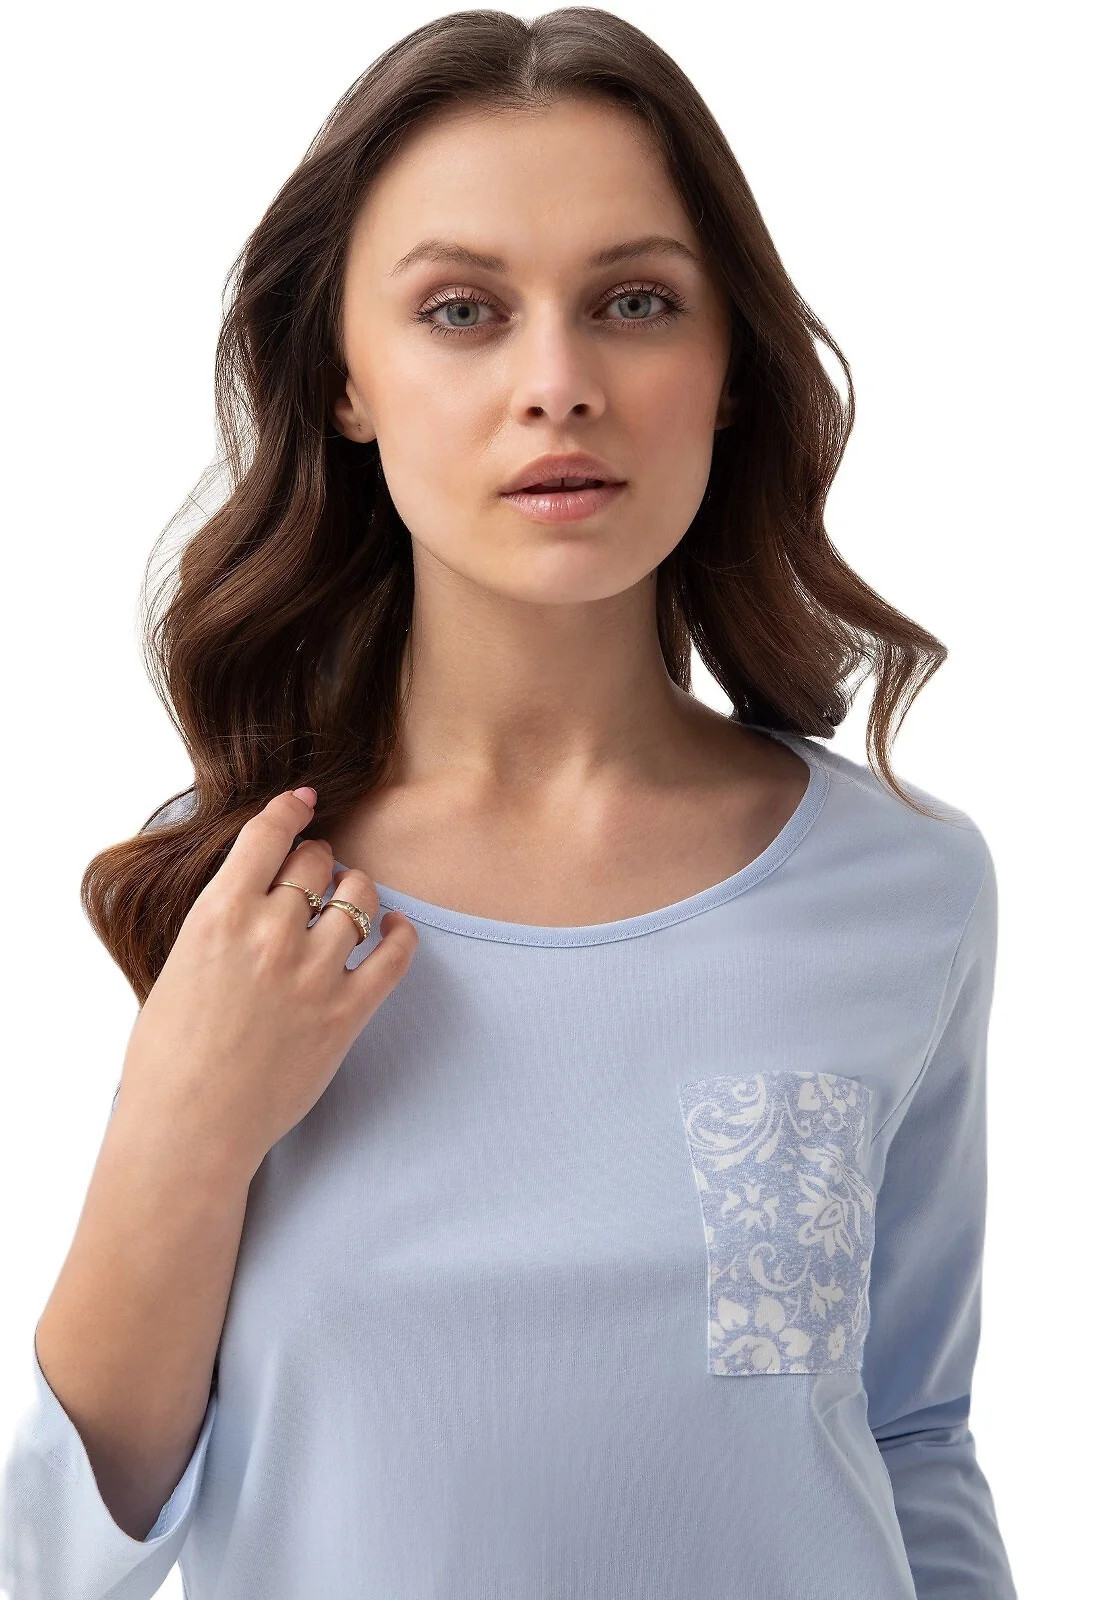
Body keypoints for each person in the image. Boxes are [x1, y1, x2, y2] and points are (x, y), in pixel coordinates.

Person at [0, 8, 1018, 1598]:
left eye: (635, 302)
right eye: (463, 310)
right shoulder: (251, 900)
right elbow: (60, 1558)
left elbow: (913, 1434)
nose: (559, 384)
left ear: (728, 369)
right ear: (344, 381)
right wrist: (187, 1125)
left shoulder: (907, 884)